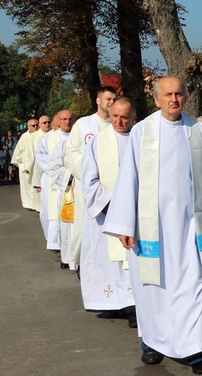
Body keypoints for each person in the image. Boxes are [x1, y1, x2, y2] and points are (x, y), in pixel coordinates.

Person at [103, 76, 202, 375]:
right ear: (157, 99)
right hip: (152, 229)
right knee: (153, 289)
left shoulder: (197, 131)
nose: (174, 99)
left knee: (195, 286)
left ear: (185, 97)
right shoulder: (142, 131)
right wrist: (125, 223)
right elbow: (128, 179)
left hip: (190, 227)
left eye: (179, 94)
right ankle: (153, 343)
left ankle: (198, 353)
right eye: (168, 95)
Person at [80, 97, 137, 324]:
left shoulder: (140, 140)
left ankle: (133, 305)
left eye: (124, 117)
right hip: (106, 212)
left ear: (133, 119)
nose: (119, 121)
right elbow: (88, 179)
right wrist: (109, 205)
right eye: (115, 116)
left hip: (134, 213)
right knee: (107, 259)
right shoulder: (98, 141)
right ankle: (112, 302)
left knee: (130, 258)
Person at [64, 86, 116, 272]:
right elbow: (70, 153)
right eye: (108, 99)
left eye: (114, 99)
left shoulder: (118, 124)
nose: (111, 102)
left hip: (112, 185)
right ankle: (82, 263)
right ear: (98, 100)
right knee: (85, 225)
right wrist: (91, 169)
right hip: (87, 186)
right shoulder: (83, 125)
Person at [35, 111, 74, 264]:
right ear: (58, 120)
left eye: (70, 119)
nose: (67, 122)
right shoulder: (48, 139)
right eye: (64, 119)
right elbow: (41, 157)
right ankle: (54, 243)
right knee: (50, 211)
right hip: (53, 179)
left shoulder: (78, 136)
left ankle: (71, 247)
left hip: (74, 180)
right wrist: (61, 174)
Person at [11, 118, 39, 209]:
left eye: (36, 125)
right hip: (25, 165)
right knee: (27, 187)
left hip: (37, 165)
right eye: (33, 125)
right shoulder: (24, 137)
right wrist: (23, 165)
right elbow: (18, 153)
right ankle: (28, 204)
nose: (35, 127)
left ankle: (37, 204)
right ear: (28, 127)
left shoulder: (40, 135)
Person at [29, 116, 53, 211]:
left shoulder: (53, 134)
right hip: (38, 166)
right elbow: (29, 153)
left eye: (49, 122)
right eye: (44, 123)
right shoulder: (34, 136)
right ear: (40, 124)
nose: (47, 124)